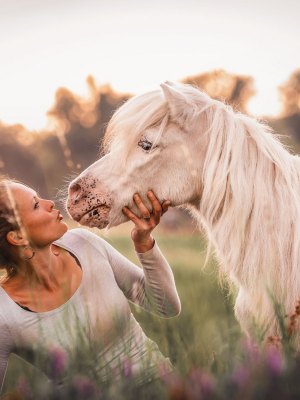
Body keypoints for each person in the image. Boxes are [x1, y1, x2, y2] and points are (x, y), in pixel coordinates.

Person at [0, 178, 181, 396]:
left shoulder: (84, 243)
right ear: (17, 236)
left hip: (160, 386)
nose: (50, 203)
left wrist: (144, 243)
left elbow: (166, 307)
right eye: (36, 205)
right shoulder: (5, 314)